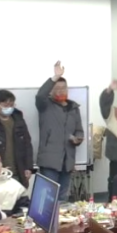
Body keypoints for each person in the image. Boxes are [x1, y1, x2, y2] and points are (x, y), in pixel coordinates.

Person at [36, 60, 85, 201]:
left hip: (67, 162)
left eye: (63, 88)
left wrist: (78, 139)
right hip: (49, 162)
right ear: (51, 91)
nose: (60, 91)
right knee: (47, 199)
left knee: (63, 198)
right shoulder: (45, 105)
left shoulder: (74, 108)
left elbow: (79, 131)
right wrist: (55, 77)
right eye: (56, 88)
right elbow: (40, 95)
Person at [0, 90, 35, 186]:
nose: (9, 108)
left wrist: (28, 167)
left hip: (18, 171)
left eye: (11, 105)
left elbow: (27, 144)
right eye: (5, 105)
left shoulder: (18, 119)